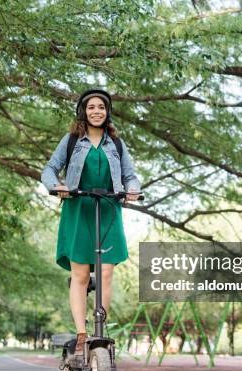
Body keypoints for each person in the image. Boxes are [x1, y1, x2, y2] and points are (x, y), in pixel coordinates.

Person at [41, 89, 141, 356]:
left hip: (108, 208)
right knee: (81, 274)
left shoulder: (116, 144)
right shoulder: (72, 140)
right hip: (78, 207)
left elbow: (131, 175)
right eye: (91, 107)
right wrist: (57, 186)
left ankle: (100, 330)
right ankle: (82, 334)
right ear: (83, 111)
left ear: (107, 112)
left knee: (106, 272)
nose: (96, 111)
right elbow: (49, 169)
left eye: (101, 107)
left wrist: (131, 189)